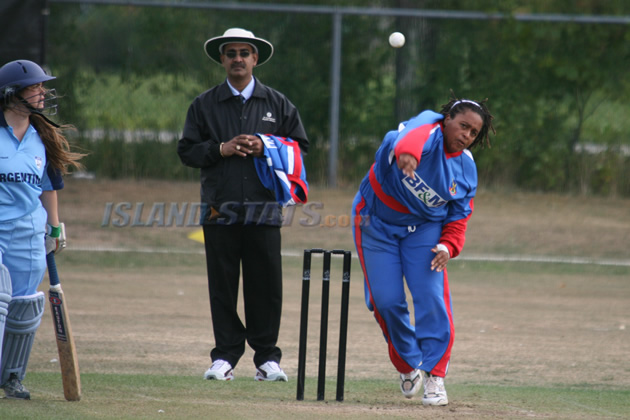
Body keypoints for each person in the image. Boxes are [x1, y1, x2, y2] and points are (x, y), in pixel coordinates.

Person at [177, 28, 308, 382]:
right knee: (222, 288)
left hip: (265, 210)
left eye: (244, 53)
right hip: (219, 210)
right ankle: (224, 357)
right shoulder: (204, 104)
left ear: (255, 59)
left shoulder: (277, 103)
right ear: (222, 59)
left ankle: (267, 359)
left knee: (266, 287)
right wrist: (221, 149)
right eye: (231, 53)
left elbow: (300, 148)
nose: (238, 59)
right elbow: (187, 151)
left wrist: (267, 147)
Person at [352, 93, 495, 405]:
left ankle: (434, 375)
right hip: (375, 222)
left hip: (424, 230)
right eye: (463, 126)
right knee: (386, 302)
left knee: (431, 298)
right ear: (447, 120)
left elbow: (459, 215)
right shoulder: (423, 133)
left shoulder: (466, 168)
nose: (466, 135)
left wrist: (447, 245)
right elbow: (407, 135)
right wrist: (407, 153)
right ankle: (408, 363)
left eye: (473, 132)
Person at [0, 59, 84, 399]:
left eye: (42, 86)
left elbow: (49, 187)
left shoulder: (42, 137)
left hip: (29, 231)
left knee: (24, 306)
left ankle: (11, 377)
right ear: (11, 94)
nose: (42, 93)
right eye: (34, 87)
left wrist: (54, 227)